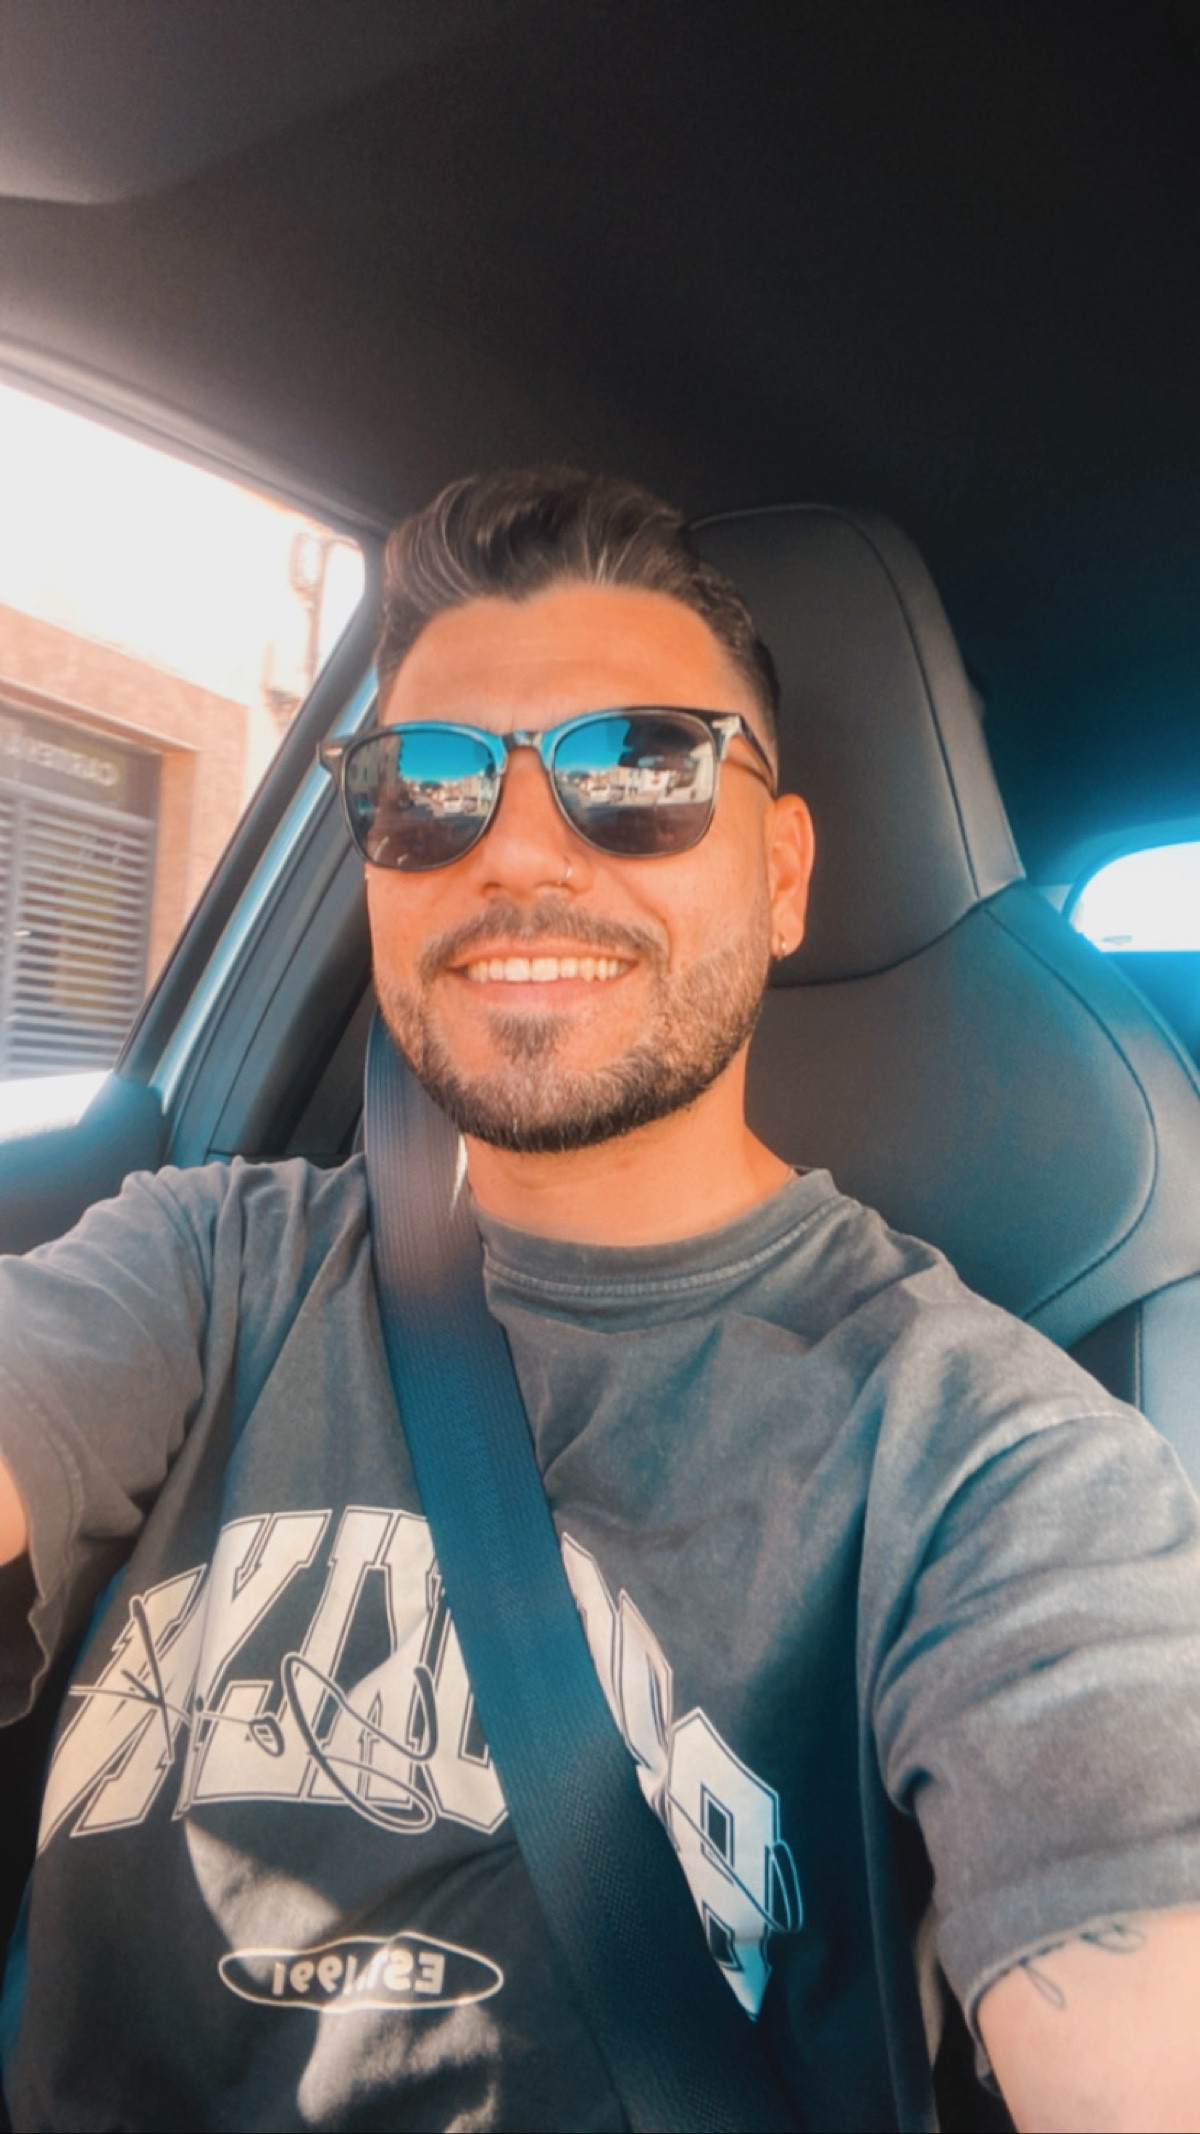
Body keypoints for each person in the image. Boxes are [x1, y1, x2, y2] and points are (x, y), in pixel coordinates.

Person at [0, 467, 1198, 2134]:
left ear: (784, 871)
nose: (515, 851)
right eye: (428, 783)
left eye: (641, 768)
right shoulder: (204, 1265)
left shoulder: (981, 1456)